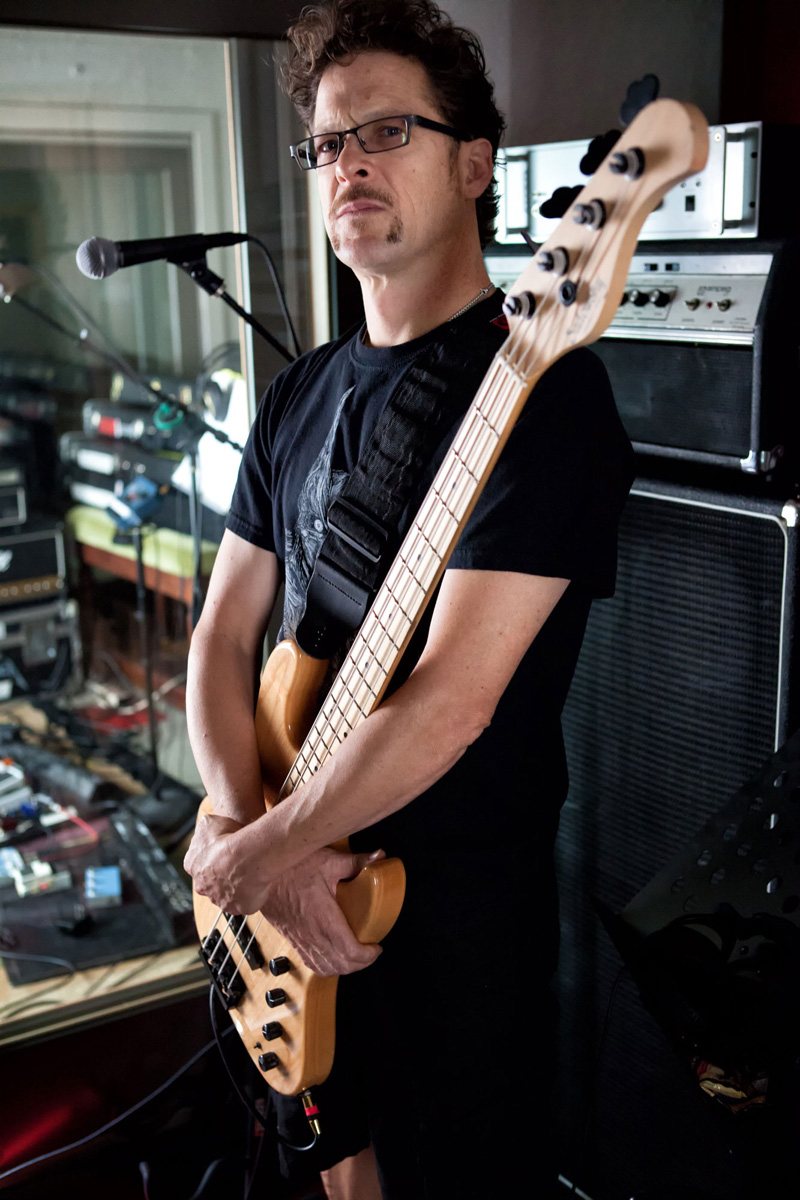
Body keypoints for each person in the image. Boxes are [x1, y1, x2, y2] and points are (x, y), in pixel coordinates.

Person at [183, 1, 634, 1195]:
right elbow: (225, 634)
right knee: (325, 1174)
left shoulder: (546, 395)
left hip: (452, 930)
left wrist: (266, 852)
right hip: (286, 897)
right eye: (327, 144)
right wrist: (241, 830)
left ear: (475, 164)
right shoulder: (299, 396)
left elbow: (451, 699)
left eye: (384, 131)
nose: (347, 165)